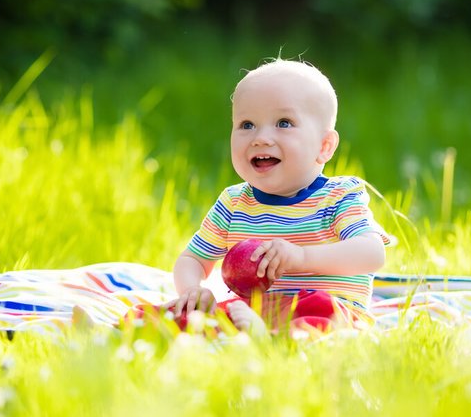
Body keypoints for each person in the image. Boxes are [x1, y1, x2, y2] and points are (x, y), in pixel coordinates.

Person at [164, 58, 390, 336]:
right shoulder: (234, 204)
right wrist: (193, 290)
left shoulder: (339, 197)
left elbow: (371, 253)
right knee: (181, 315)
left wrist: (302, 257)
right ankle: (127, 328)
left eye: (284, 123)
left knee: (324, 312)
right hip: (251, 311)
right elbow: (193, 260)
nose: (260, 138)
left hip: (320, 308)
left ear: (324, 146)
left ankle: (276, 337)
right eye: (247, 124)